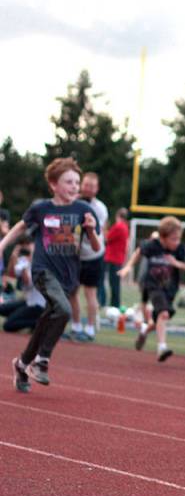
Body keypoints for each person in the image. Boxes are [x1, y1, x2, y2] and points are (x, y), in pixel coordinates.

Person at [2, 157, 100, 392]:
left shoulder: (84, 210)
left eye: (77, 182)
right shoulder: (41, 208)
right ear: (54, 185)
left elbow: (96, 247)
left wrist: (90, 230)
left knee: (47, 319)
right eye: (69, 182)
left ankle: (22, 363)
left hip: (68, 275)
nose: (75, 187)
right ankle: (42, 361)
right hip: (43, 271)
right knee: (64, 310)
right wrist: (3, 244)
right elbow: (21, 226)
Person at [119, 216, 185, 361]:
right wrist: (128, 267)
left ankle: (145, 329)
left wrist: (176, 263)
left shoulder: (180, 249)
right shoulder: (153, 245)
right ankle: (162, 347)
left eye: (178, 238)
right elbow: (139, 251)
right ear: (163, 238)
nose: (177, 242)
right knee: (163, 313)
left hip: (170, 288)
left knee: (161, 317)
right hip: (153, 286)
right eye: (173, 239)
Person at [68, 171, 107, 340]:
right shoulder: (72, 202)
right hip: (75, 256)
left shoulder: (99, 208)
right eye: (86, 185)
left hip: (93, 255)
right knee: (72, 292)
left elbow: (95, 232)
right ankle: (76, 326)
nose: (88, 188)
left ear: (97, 189)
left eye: (92, 186)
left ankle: (90, 329)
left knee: (90, 293)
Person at [0, 240, 45, 332]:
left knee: (8, 325)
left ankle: (39, 322)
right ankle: (22, 317)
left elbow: (28, 283)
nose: (27, 248)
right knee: (2, 309)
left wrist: (25, 266)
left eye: (29, 246)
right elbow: (11, 274)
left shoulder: (40, 265)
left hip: (38, 306)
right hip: (28, 302)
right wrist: (13, 256)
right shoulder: (24, 261)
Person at [103, 208, 129, 309]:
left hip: (113, 258)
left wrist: (104, 229)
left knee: (113, 284)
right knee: (115, 284)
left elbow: (107, 238)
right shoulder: (125, 227)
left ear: (118, 215)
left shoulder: (118, 226)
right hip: (118, 258)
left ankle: (114, 305)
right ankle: (115, 304)